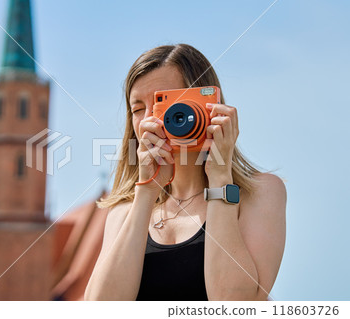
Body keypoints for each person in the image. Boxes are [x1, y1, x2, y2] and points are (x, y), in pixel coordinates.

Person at [84, 44, 286, 301]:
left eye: (163, 104)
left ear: (207, 105)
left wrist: (221, 177)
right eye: (137, 110)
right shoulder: (123, 212)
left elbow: (235, 305)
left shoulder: (260, 193)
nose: (150, 120)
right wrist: (146, 191)